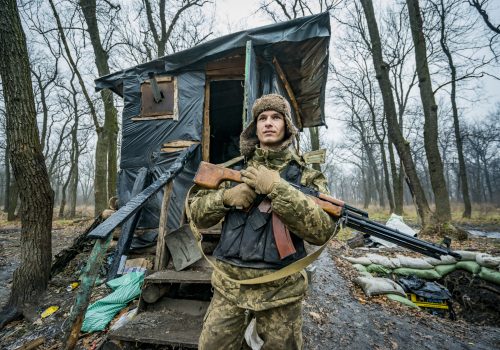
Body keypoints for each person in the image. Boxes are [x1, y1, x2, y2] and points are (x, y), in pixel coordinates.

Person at [190, 94, 336, 349]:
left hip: (281, 290)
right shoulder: (234, 170)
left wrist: (279, 189)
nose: (269, 123)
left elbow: (322, 231)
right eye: (262, 118)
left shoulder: (307, 176)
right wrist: (226, 197)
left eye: (276, 117)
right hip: (229, 286)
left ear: (287, 127)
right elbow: (197, 215)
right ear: (254, 127)